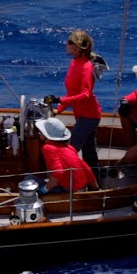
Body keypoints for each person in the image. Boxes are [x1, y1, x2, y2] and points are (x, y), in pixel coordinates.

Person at [45, 29, 102, 171]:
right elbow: (72, 93)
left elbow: (85, 95)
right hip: (82, 115)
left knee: (69, 151)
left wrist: (59, 99)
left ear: (78, 47)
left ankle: (67, 181)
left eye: (70, 42)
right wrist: (59, 109)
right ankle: (94, 182)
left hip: (89, 116)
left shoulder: (86, 67)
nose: (67, 43)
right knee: (89, 153)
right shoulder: (74, 63)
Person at [35, 117, 97, 193]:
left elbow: (58, 172)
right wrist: (96, 189)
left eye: (40, 131)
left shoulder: (47, 148)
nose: (39, 132)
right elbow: (86, 168)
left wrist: (44, 189)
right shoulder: (70, 147)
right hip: (81, 188)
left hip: (67, 190)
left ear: (46, 135)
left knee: (29, 179)